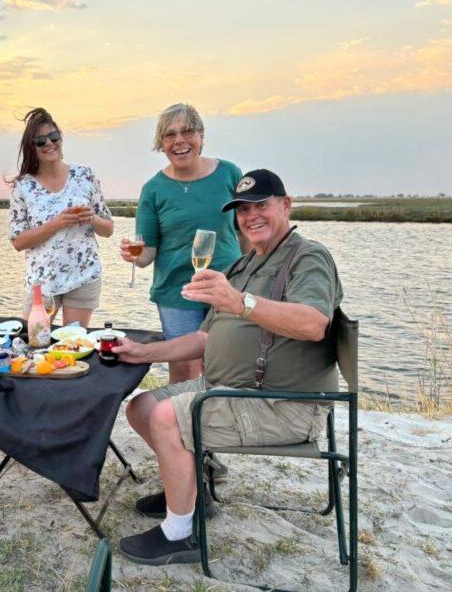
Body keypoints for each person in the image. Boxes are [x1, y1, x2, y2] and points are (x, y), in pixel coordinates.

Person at [113, 169, 343, 565]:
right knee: (141, 407)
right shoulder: (246, 263)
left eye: (262, 205)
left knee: (168, 416)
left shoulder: (308, 256)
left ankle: (180, 535)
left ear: (286, 205)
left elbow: (313, 323)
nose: (251, 216)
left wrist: (241, 303)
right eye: (242, 209)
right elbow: (203, 338)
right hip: (231, 389)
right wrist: (143, 352)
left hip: (282, 404)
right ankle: (193, 496)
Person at [120, 103, 244, 384]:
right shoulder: (153, 189)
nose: (179, 141)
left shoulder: (229, 174)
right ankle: (183, 426)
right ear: (161, 144)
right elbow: (147, 252)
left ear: (201, 136)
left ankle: (222, 424)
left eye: (187, 131)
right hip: (177, 294)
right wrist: (132, 255)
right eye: (169, 135)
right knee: (184, 371)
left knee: (229, 365)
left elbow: (247, 232)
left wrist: (255, 275)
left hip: (228, 287)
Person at [9, 108, 113, 326]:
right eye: (40, 141)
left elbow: (108, 229)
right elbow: (18, 241)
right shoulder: (23, 186)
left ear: (61, 139)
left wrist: (92, 218)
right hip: (42, 282)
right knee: (32, 346)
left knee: (74, 348)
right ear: (32, 147)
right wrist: (56, 224)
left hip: (84, 276)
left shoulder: (85, 175)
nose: (49, 143)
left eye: (54, 136)